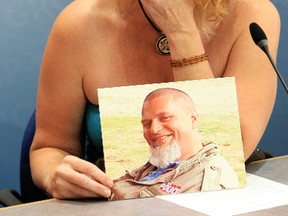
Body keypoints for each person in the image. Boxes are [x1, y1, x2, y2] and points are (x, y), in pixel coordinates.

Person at [30, 0, 280, 200]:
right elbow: (49, 148)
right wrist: (54, 175)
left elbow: (228, 151)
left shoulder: (252, 13)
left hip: (225, 199)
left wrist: (180, 30)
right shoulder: (80, 22)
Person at [109, 88, 239, 200]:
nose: (154, 129)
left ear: (193, 119)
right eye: (147, 124)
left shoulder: (210, 184)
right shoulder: (162, 162)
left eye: (165, 118)